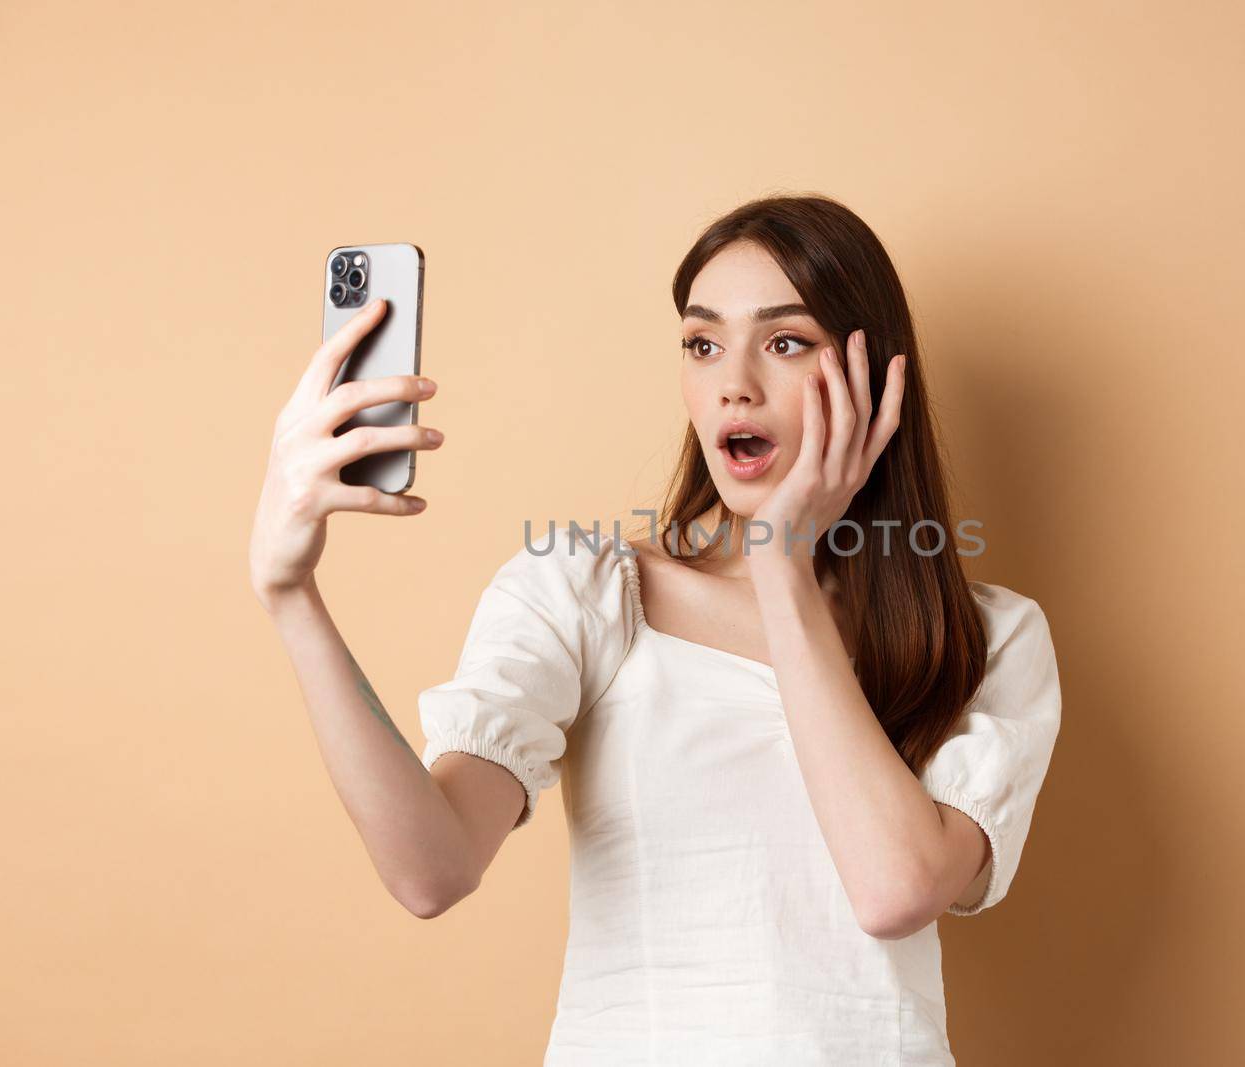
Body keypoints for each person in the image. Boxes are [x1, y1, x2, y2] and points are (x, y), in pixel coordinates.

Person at [250, 194, 1063, 1064]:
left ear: (875, 377)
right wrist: (291, 592)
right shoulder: (589, 592)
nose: (733, 382)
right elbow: (430, 870)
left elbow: (894, 887)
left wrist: (782, 562)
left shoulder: (985, 637)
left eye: (785, 342)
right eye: (702, 343)